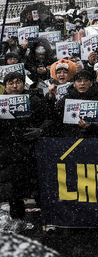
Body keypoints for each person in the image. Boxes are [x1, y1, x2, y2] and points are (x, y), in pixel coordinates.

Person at [0, 71, 50, 221]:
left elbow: (49, 119)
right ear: (5, 86)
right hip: (8, 153)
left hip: (31, 151)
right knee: (13, 191)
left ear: (24, 83)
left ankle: (47, 220)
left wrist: (40, 130)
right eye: (10, 83)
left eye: (18, 82)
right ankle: (17, 220)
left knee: (38, 187)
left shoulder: (34, 100)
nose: (15, 86)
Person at [54, 69, 98, 139]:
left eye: (86, 80)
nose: (82, 83)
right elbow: (56, 116)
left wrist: (92, 125)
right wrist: (50, 96)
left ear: (91, 83)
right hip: (69, 138)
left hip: (94, 138)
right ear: (74, 84)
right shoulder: (67, 98)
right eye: (79, 81)